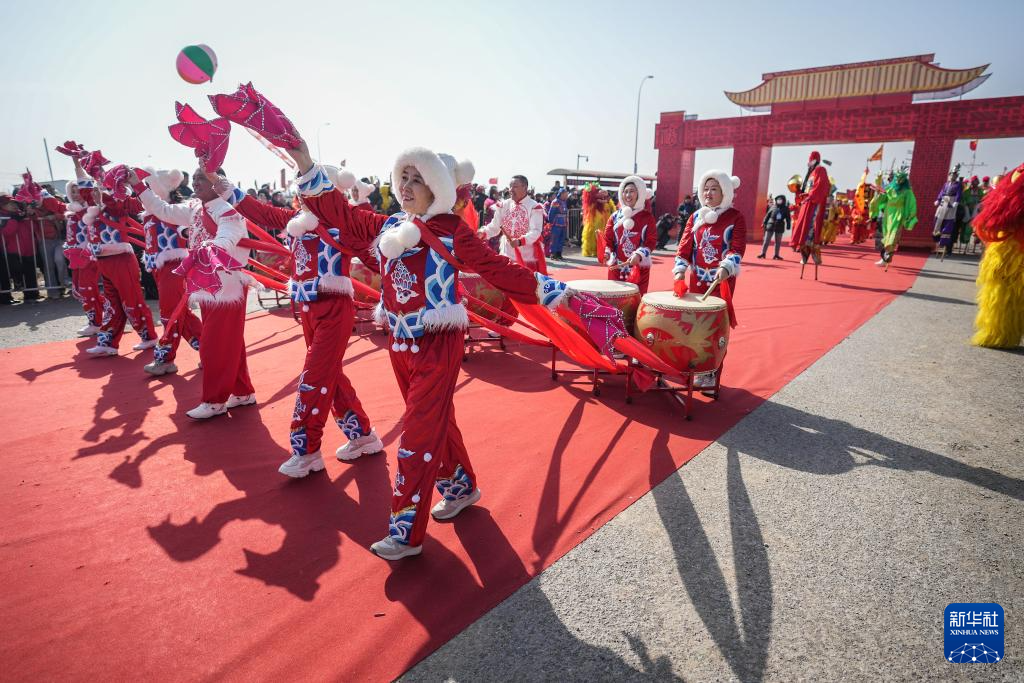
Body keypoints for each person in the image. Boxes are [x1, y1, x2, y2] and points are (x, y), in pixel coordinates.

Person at [286, 139, 575, 561]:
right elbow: (342, 215)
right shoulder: (388, 227)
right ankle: (460, 487)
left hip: (438, 343)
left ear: (436, 188)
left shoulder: (452, 231)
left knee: (417, 432)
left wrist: (559, 293)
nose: (406, 185)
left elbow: (498, 269)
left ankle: (405, 531)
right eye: (402, 176)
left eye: (417, 179)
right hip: (399, 341)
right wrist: (305, 162)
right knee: (436, 420)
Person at [213, 168, 383, 476]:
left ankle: (306, 451)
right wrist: (219, 182)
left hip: (334, 310)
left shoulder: (344, 226)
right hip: (307, 310)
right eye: (301, 190)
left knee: (313, 378)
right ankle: (362, 435)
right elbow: (259, 211)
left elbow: (378, 260)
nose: (303, 195)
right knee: (330, 375)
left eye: (312, 190)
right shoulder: (295, 221)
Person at [129, 166, 257, 420]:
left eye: (202, 178)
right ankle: (242, 393)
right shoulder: (195, 208)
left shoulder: (227, 209)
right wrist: (138, 185)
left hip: (226, 284)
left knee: (214, 344)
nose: (195, 181)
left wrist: (214, 246)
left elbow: (229, 234)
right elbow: (162, 210)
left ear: (217, 182)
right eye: (195, 177)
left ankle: (215, 400)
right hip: (209, 285)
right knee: (227, 341)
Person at [75, 157, 158, 355]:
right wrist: (77, 164)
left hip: (121, 258)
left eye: (100, 174)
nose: (97, 181)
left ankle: (149, 337)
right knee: (112, 303)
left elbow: (132, 205)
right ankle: (108, 343)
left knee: (132, 300)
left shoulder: (121, 200)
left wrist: (129, 184)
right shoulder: (95, 199)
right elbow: (84, 187)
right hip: (103, 259)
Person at [673, 170, 746, 387]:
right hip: (697, 281)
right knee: (695, 326)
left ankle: (711, 372)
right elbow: (684, 247)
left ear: (725, 192)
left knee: (715, 328)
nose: (708, 193)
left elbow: (737, 248)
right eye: (705, 189)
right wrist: (680, 269)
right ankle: (694, 367)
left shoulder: (735, 217)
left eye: (714, 189)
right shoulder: (696, 217)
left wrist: (727, 266)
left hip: (721, 281)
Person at [139, 169, 203, 376]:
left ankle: (165, 359)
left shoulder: (175, 210)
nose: (144, 192)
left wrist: (186, 231)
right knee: (181, 313)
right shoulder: (150, 213)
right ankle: (210, 350)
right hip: (159, 268)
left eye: (149, 187)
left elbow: (187, 232)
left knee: (170, 313)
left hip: (175, 267)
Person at [38, 184, 105, 334]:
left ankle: (96, 323)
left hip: (88, 256)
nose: (75, 194)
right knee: (79, 290)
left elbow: (58, 206)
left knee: (86, 289)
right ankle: (107, 315)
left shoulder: (90, 209)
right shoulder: (73, 211)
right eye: (72, 192)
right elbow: (58, 206)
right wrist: (39, 192)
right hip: (76, 257)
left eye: (79, 191)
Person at [480, 174, 546, 271]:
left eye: (515, 186)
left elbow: (536, 231)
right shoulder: (503, 205)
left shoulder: (534, 206)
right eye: (510, 186)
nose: (510, 190)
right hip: (507, 255)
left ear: (525, 188)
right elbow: (494, 227)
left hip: (526, 257)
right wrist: (483, 233)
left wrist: (520, 241)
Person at [604, 176, 657, 293]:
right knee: (614, 299)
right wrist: (606, 253)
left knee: (635, 300)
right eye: (625, 191)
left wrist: (639, 255)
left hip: (639, 270)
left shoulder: (647, 217)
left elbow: (651, 241)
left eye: (632, 191)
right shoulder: (614, 217)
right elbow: (607, 240)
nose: (628, 195)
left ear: (639, 194)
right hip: (615, 269)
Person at [790, 150, 830, 266]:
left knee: (811, 228)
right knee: (803, 228)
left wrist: (810, 196)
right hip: (807, 203)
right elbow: (808, 189)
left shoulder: (820, 169)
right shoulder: (810, 173)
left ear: (815, 160)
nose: (809, 162)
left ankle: (815, 254)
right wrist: (801, 194)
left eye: (811, 160)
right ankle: (804, 254)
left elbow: (821, 185)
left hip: (814, 202)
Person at [876, 168, 917, 266]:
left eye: (901, 178)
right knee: (886, 235)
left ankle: (885, 258)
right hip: (888, 214)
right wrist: (880, 193)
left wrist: (910, 216)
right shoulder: (890, 188)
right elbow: (883, 198)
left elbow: (911, 203)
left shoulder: (907, 191)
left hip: (898, 215)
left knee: (893, 236)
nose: (899, 180)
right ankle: (885, 258)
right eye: (897, 178)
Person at [933, 166, 962, 256]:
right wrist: (938, 199)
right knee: (938, 220)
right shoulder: (946, 184)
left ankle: (945, 243)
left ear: (956, 176)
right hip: (943, 202)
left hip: (951, 203)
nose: (952, 176)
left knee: (948, 222)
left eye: (954, 175)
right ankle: (937, 239)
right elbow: (942, 192)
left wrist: (956, 201)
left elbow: (959, 193)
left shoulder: (958, 184)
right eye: (951, 174)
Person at [758, 195, 790, 259]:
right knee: (766, 240)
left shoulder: (786, 208)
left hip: (780, 225)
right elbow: (767, 215)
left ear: (783, 200)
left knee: (778, 242)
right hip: (771, 224)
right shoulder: (773, 207)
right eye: (778, 199)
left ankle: (776, 255)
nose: (779, 200)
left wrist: (788, 225)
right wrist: (764, 223)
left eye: (780, 199)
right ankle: (763, 253)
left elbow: (788, 218)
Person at [546, 188, 568, 260]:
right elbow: (551, 213)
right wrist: (550, 222)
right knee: (555, 238)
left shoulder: (564, 202)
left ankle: (559, 253)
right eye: (565, 194)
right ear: (561, 194)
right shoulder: (555, 201)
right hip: (556, 223)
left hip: (563, 223)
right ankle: (553, 254)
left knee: (561, 239)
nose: (567, 195)